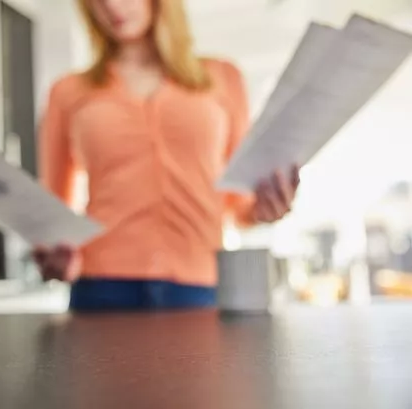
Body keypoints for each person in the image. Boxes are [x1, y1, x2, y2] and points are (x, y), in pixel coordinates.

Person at [34, 0, 300, 311]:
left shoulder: (222, 78)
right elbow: (52, 214)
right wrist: (56, 254)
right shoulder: (67, 91)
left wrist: (266, 207)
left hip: (200, 287)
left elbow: (238, 205)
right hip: (101, 289)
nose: (111, 6)